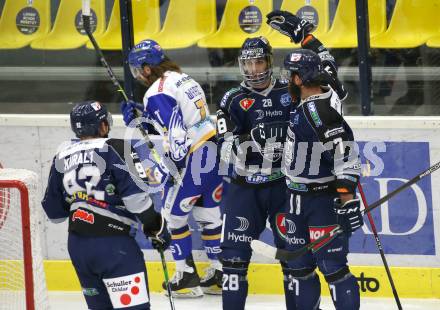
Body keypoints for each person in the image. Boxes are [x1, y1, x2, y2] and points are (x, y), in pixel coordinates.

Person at [268, 10, 364, 310]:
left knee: (333, 268)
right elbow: (326, 60)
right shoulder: (326, 92)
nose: (286, 80)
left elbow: (346, 155)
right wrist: (303, 36)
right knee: (300, 269)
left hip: (321, 202)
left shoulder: (320, 112)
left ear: (299, 79)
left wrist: (347, 198)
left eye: (289, 75)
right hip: (295, 199)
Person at [41, 101, 171, 309]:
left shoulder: (61, 155)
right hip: (114, 248)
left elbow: (54, 213)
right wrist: (156, 226)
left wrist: (82, 198)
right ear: (102, 126)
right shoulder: (117, 147)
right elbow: (136, 201)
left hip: (78, 247)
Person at [121, 40, 223, 297]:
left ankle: (186, 277)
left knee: (173, 216)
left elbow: (175, 130)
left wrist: (174, 167)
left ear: (146, 69)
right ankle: (219, 274)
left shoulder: (156, 91)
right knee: (208, 216)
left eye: (137, 70)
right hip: (211, 152)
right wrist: (144, 114)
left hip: (191, 159)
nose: (138, 76)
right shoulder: (182, 79)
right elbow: (181, 116)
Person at [215, 36, 294, 309]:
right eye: (248, 63)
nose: (254, 69)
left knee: (295, 258)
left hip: (283, 187)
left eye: (258, 61)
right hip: (244, 190)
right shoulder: (232, 99)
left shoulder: (289, 91)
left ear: (269, 61)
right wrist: (248, 138)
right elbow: (223, 149)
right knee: (234, 261)